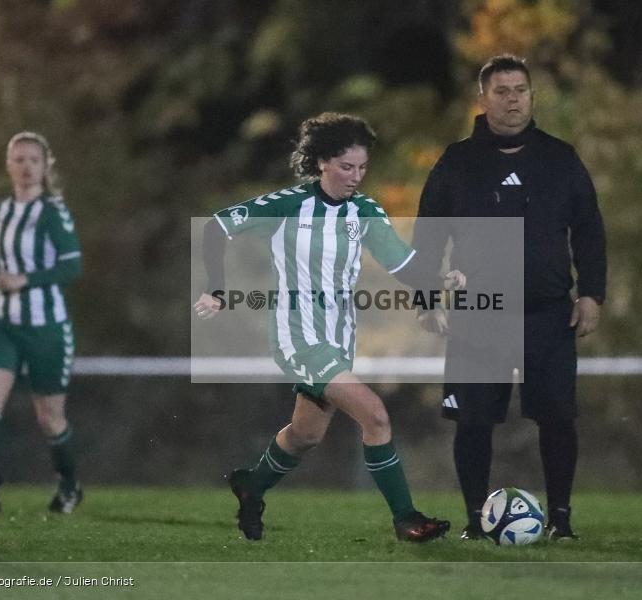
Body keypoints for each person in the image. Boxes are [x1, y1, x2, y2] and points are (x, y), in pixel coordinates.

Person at [193, 112, 462, 542]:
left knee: (305, 434)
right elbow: (216, 228)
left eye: (362, 167)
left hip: (340, 338)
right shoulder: (286, 206)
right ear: (321, 162)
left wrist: (441, 278)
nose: (355, 176)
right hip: (298, 334)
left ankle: (252, 485)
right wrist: (218, 290)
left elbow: (406, 266)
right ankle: (406, 519)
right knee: (375, 415)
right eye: (345, 166)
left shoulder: (365, 211)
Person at [412, 55, 607, 541]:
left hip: (548, 315)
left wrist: (593, 293)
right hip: (479, 315)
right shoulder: (457, 162)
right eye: (501, 90)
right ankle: (477, 522)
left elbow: (589, 232)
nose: (513, 98)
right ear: (482, 99)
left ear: (531, 96)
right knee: (473, 422)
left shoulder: (560, 159)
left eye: (520, 89)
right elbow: (427, 238)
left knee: (558, 419)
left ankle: (561, 521)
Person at [0, 131, 83, 514]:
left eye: (33, 159)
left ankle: (69, 485)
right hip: (5, 322)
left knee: (50, 418)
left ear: (45, 166)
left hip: (47, 327)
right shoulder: (4, 210)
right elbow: (10, 260)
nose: (26, 166)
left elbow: (72, 266)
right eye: (19, 159)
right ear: (8, 165)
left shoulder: (52, 210)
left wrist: (26, 280)